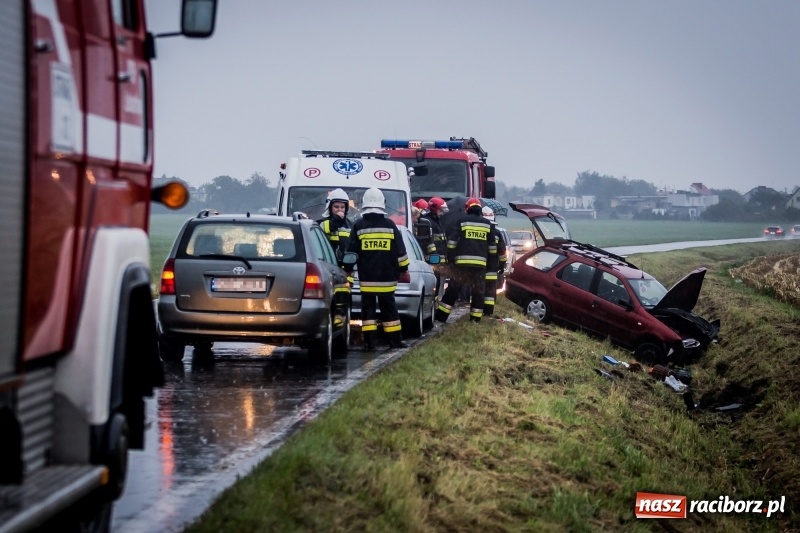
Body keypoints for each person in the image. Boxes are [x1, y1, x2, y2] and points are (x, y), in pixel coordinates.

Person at [346, 188, 410, 351]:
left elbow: (351, 252)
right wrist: (404, 269)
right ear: (382, 205)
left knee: (368, 312)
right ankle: (394, 341)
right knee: (390, 310)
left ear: (364, 205)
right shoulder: (390, 225)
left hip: (367, 278)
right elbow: (400, 252)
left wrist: (347, 269)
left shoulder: (358, 225)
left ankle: (370, 343)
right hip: (387, 278)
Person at [434, 197, 491, 323]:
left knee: (453, 290)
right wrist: (491, 264)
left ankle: (441, 317)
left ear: (467, 209)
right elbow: (492, 247)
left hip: (461, 264)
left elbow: (452, 242)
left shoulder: (461, 221)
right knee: (478, 292)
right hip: (480, 266)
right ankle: (475, 320)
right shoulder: (487, 224)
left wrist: (451, 259)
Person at [481, 206, 507, 316]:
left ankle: (476, 311)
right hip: (492, 267)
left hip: (479, 267)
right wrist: (502, 266)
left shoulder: (479, 231)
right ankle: (488, 313)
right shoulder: (497, 233)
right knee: (490, 291)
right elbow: (502, 252)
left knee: (477, 290)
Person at [422, 196, 449, 296]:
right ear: (434, 209)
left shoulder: (436, 221)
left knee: (438, 283)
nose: (442, 213)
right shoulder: (429, 222)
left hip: (438, 259)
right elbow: (429, 242)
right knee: (435, 283)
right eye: (440, 211)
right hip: (433, 260)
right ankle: (434, 302)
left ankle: (436, 300)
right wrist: (434, 254)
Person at [316, 188, 352, 259]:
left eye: (342, 207)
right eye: (336, 207)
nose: (340, 210)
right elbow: (327, 228)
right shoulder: (322, 223)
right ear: (330, 207)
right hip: (328, 262)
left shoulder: (350, 225)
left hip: (345, 263)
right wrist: (337, 219)